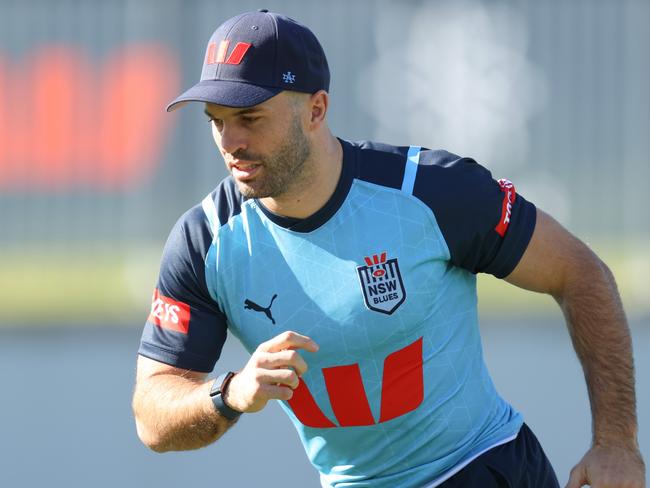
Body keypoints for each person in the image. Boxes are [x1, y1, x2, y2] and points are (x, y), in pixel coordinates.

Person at [132, 9, 645, 488]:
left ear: (316, 109)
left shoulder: (432, 192)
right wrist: (230, 394)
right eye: (216, 120)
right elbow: (153, 415)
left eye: (251, 118)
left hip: (480, 465)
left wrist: (617, 442)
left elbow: (579, 273)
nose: (231, 141)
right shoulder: (205, 241)